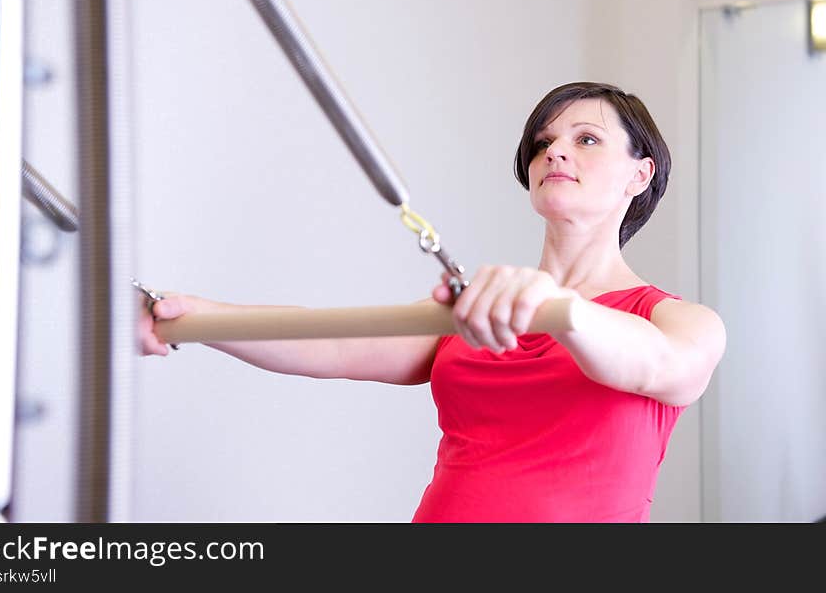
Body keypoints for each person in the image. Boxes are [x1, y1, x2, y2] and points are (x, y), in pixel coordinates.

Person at [138, 81, 726, 522]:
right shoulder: (479, 312)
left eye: (587, 139)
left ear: (640, 175)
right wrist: (188, 316)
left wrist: (558, 307)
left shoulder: (677, 320)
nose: (555, 153)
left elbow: (656, 364)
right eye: (543, 142)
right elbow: (334, 340)